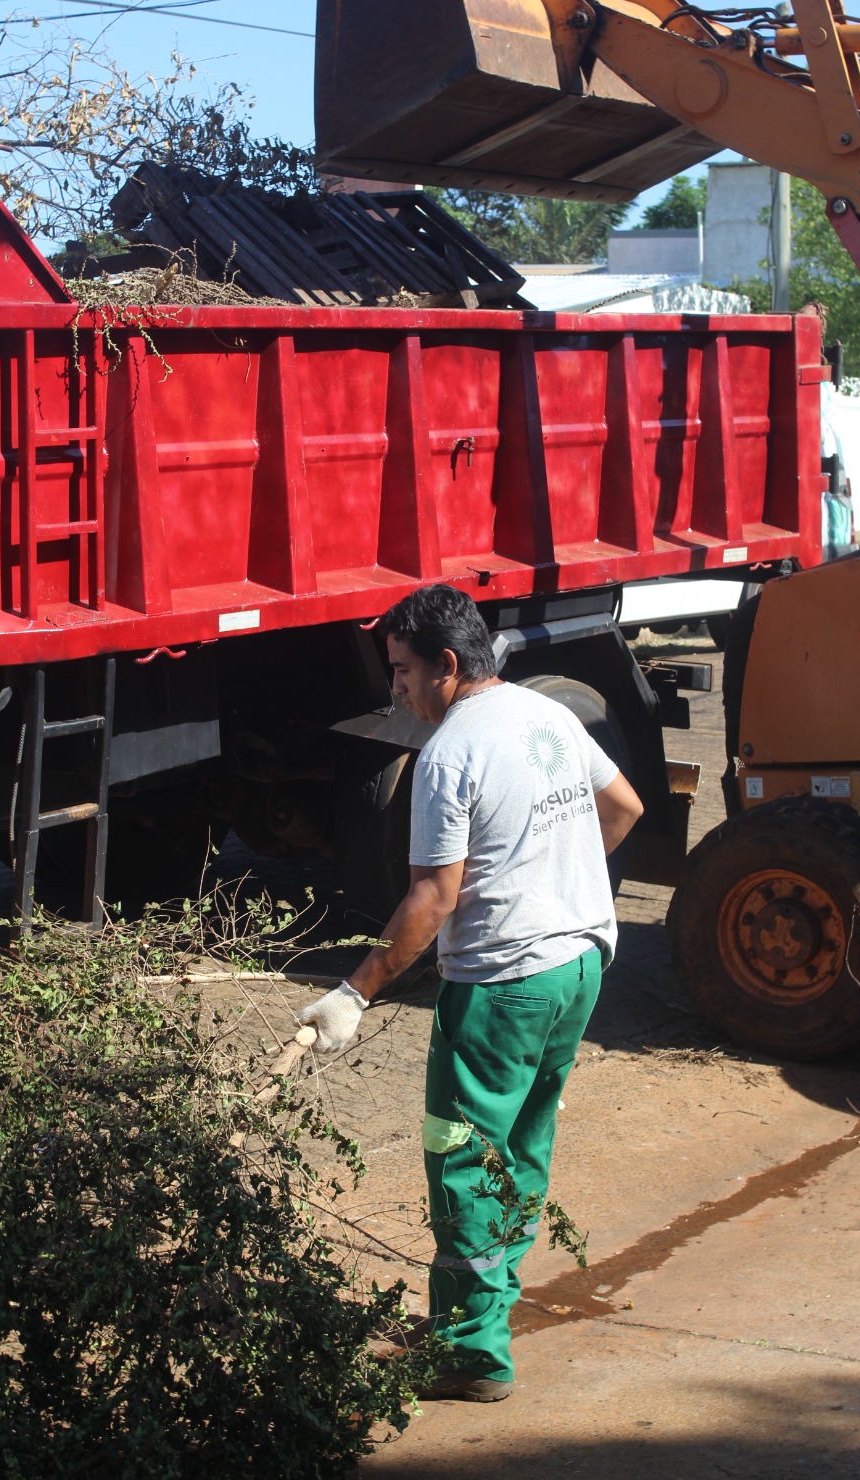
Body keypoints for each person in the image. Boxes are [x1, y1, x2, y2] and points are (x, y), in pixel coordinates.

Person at [298, 585, 643, 1402]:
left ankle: (472, 1354)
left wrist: (353, 992)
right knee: (520, 1146)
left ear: (446, 666)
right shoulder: (546, 715)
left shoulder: (449, 754)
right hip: (580, 965)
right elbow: (623, 807)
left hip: (502, 988)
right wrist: (557, 880)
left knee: (462, 1158)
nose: (397, 691)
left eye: (402, 672)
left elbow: (431, 901)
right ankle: (490, 1304)